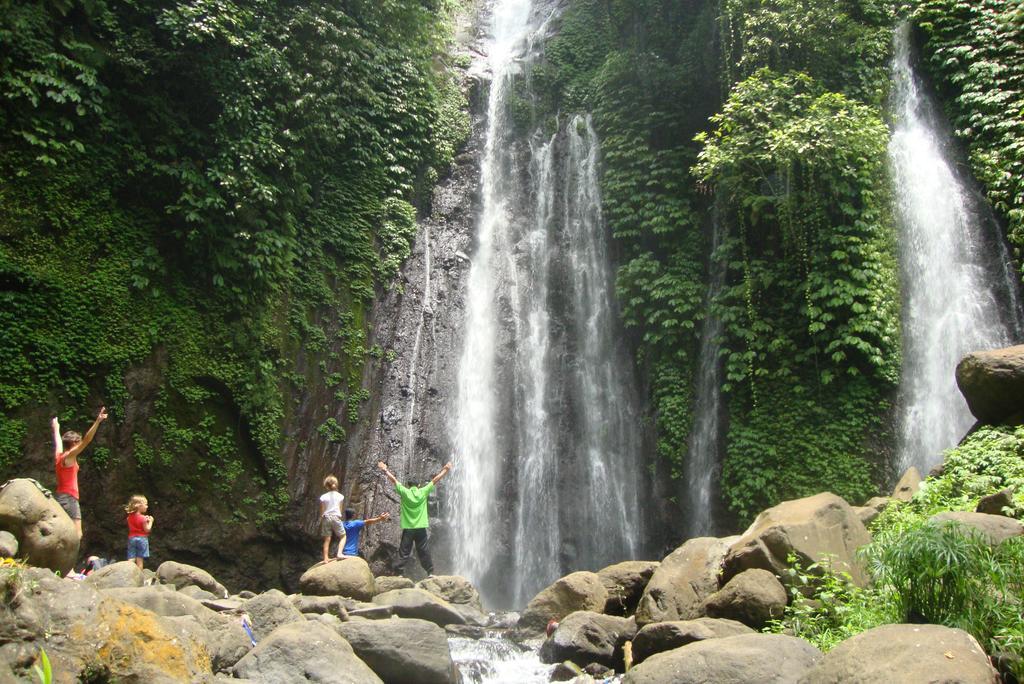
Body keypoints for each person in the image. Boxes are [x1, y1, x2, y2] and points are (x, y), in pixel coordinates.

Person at [376, 460, 453, 576]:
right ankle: (430, 571)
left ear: (408, 485)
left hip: (409, 527)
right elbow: (435, 480)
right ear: (419, 485)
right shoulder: (423, 491)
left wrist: (385, 470)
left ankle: (399, 572)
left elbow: (394, 480)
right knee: (423, 550)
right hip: (420, 527)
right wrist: (445, 470)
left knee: (404, 551)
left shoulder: (405, 492)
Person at [51, 407, 108, 539]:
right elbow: (87, 440)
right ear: (75, 443)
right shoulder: (70, 456)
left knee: (64, 531)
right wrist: (97, 421)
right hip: (69, 498)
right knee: (77, 534)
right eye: (78, 442)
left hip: (60, 496)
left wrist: (56, 428)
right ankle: (68, 559)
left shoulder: (60, 456)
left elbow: (58, 442)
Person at [319, 474, 346, 564]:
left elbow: (322, 510)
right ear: (336, 484)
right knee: (343, 536)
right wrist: (339, 516)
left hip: (326, 517)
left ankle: (326, 558)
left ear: (327, 486)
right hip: (336, 517)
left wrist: (323, 516)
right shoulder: (340, 496)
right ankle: (339, 553)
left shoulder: (323, 497)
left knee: (327, 539)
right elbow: (340, 509)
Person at [124, 494, 154, 569]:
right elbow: (147, 529)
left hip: (132, 538)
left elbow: (135, 524)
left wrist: (145, 519)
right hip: (142, 539)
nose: (147, 506)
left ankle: (127, 571)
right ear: (139, 506)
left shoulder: (129, 518)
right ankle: (139, 576)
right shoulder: (143, 518)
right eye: (146, 504)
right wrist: (150, 521)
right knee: (139, 559)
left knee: (131, 557)